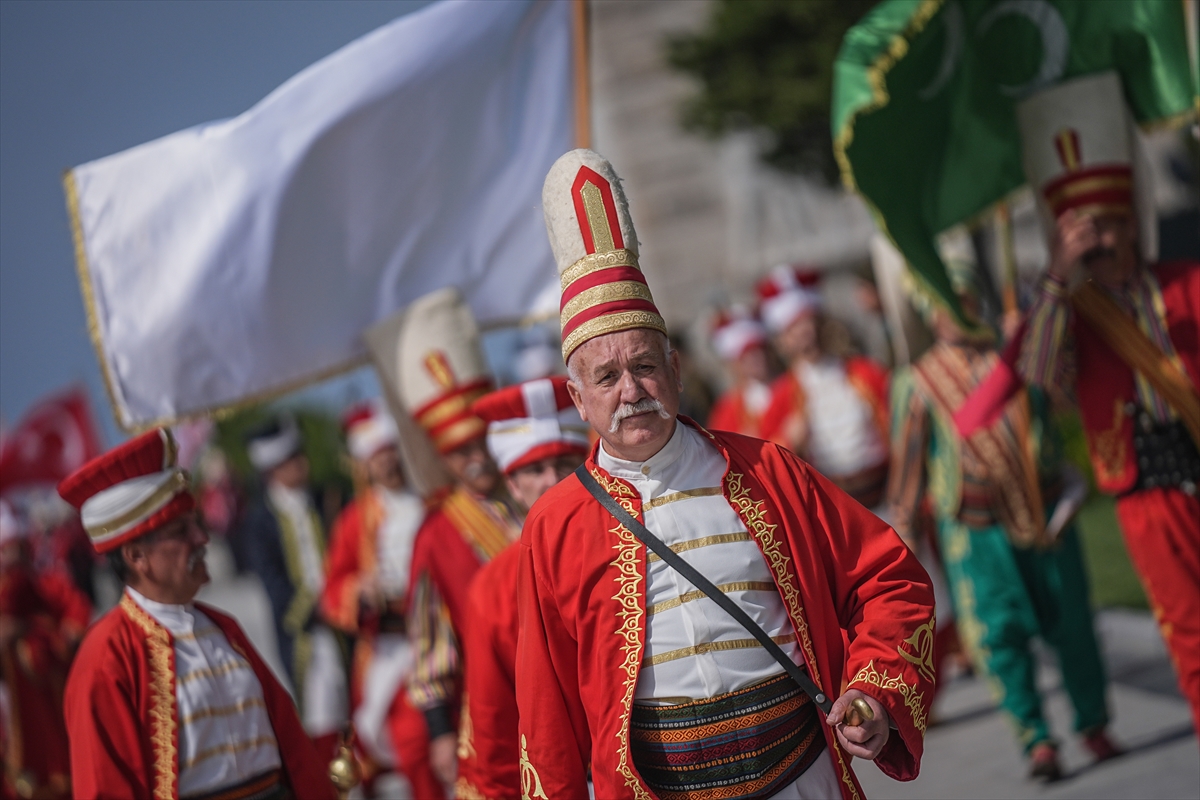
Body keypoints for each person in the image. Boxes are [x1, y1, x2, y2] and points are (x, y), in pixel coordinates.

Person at [515, 149, 935, 800]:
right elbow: (546, 715)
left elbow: (890, 581)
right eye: (606, 376)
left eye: (645, 366)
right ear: (578, 399)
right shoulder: (554, 525)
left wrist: (873, 690)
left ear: (676, 369)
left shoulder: (768, 471)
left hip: (804, 778)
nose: (632, 390)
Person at [1014, 73, 1200, 734]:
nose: (1103, 242)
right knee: (1188, 629)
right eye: (1088, 233)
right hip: (1145, 486)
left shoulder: (1186, 281)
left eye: (1112, 225)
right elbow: (1038, 372)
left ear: (1133, 223)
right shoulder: (1071, 312)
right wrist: (1057, 273)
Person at [889, 273, 1119, 780]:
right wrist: (905, 536)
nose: (957, 310)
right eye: (946, 302)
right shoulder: (918, 381)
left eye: (964, 298)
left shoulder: (1017, 351)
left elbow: (1065, 396)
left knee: (1073, 623)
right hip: (976, 533)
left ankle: (1094, 724)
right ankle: (1036, 739)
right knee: (998, 635)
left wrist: (1035, 342)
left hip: (1047, 514)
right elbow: (907, 472)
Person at [57, 428, 335, 800]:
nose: (202, 539)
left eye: (197, 525)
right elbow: (104, 788)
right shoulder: (104, 657)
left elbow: (291, 742)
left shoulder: (222, 627)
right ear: (136, 556)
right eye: (181, 531)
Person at [394, 288, 523, 790]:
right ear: (442, 458)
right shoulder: (434, 536)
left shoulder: (533, 493)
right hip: (494, 706)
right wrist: (440, 733)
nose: (475, 458)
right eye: (459, 451)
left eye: (480, 442)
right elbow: (430, 644)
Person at [455, 376, 590, 800]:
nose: (553, 480)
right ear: (512, 485)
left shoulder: (638, 541)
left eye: (565, 463)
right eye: (534, 470)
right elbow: (492, 720)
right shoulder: (490, 591)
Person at [320, 401, 440, 798]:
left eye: (390, 450)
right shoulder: (355, 519)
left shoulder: (431, 500)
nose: (387, 461)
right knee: (410, 741)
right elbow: (332, 589)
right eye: (377, 455)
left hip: (440, 638)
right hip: (390, 648)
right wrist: (358, 590)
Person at [242, 415, 348, 758]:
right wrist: (315, 608)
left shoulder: (326, 499)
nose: (301, 463)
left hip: (346, 621)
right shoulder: (260, 522)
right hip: (304, 634)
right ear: (273, 470)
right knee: (322, 712)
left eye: (300, 455)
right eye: (291, 459)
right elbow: (273, 582)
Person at [757, 267, 892, 511]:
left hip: (884, 494)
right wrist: (789, 440)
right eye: (793, 327)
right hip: (833, 505)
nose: (804, 332)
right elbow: (764, 461)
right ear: (782, 339)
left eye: (807, 321)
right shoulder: (782, 396)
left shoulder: (865, 372)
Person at [0, 500, 91, 800]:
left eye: (15, 550)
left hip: (48, 687)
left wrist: (51, 638)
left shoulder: (45, 582)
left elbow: (74, 611)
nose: (10, 559)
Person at [706, 306, 774, 438]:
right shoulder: (727, 409)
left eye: (758, 351)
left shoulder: (789, 387)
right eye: (746, 356)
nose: (756, 359)